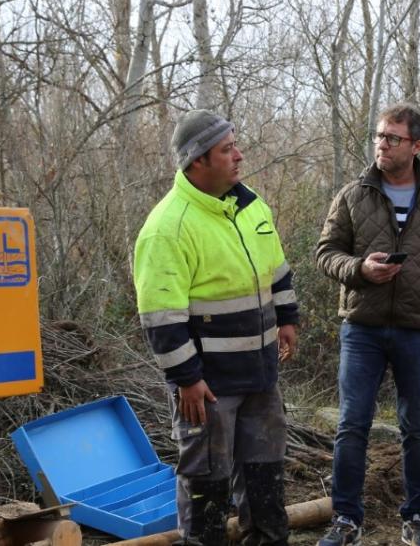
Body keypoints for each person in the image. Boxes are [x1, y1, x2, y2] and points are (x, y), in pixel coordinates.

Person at [133, 109, 299, 546]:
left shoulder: (250, 205)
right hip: (208, 387)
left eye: (235, 145)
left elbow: (277, 271)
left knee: (265, 471)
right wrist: (186, 380)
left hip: (261, 374)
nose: (239, 156)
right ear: (197, 162)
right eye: (227, 150)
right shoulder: (168, 228)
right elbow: (160, 317)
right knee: (207, 480)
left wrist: (287, 320)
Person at [315, 102, 420, 546]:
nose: (381, 145)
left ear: (417, 145)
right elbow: (325, 254)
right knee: (352, 425)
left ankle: (418, 518)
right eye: (379, 136)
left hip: (419, 330)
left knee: (418, 427)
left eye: (392, 138)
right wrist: (360, 270)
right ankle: (346, 521)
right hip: (361, 328)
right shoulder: (353, 194)